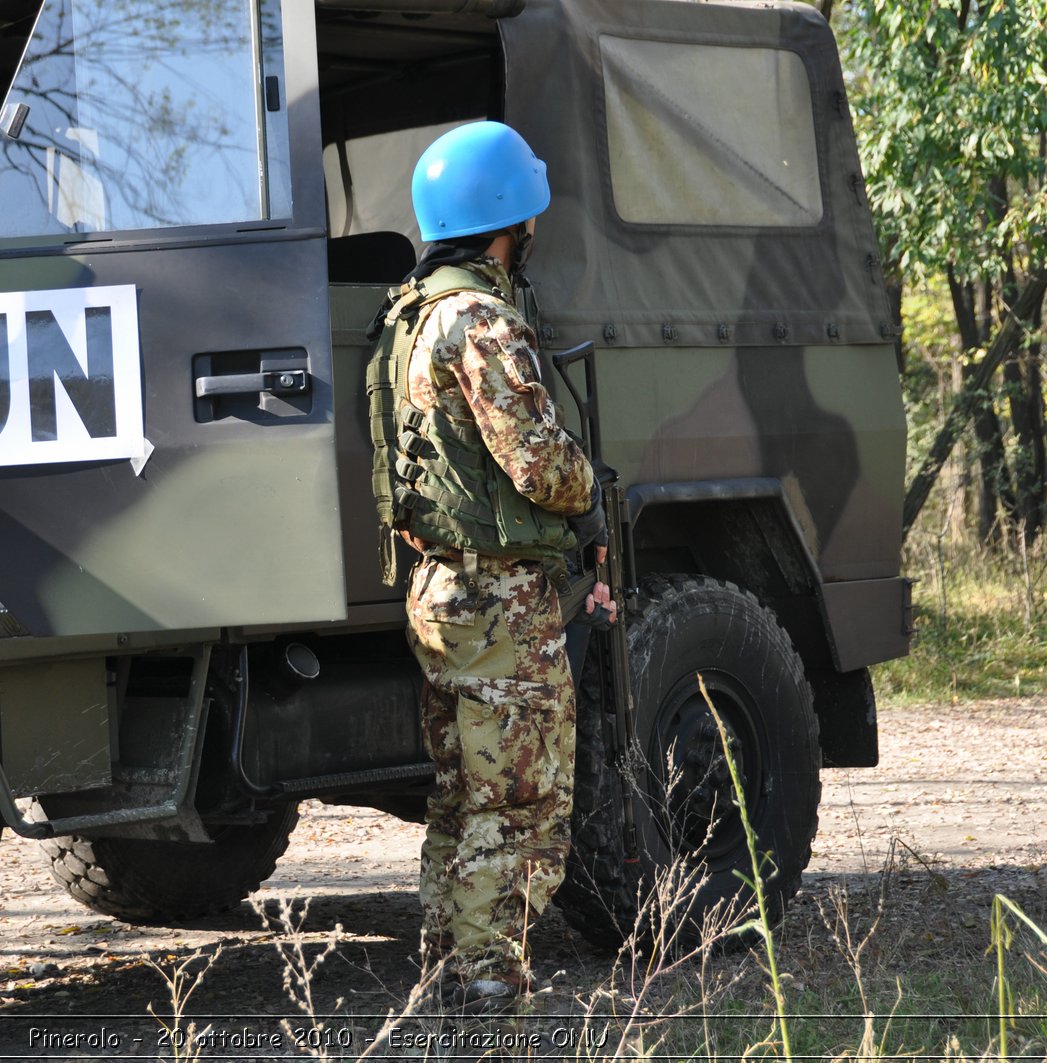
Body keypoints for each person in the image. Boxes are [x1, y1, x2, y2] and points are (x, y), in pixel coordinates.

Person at [368, 120, 615, 1012]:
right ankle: (485, 990)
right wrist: (594, 490)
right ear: (511, 217)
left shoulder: (411, 316)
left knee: (461, 797)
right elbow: (540, 465)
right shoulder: (481, 320)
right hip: (498, 594)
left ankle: (449, 970)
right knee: (518, 803)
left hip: (438, 585)